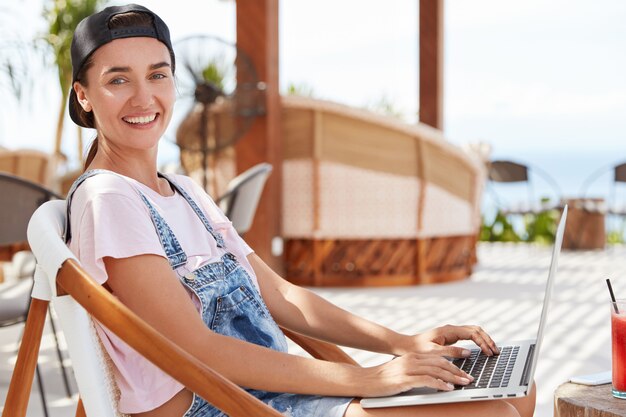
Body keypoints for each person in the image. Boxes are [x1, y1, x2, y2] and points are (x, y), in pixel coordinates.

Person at [65, 4, 536, 417]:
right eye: (117, 79)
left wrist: (403, 343)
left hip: (268, 391)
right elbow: (197, 351)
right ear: (83, 96)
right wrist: (369, 380)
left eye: (157, 74)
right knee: (496, 411)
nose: (144, 97)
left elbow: (283, 297)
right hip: (221, 404)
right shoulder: (110, 199)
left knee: (520, 392)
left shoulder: (183, 191)